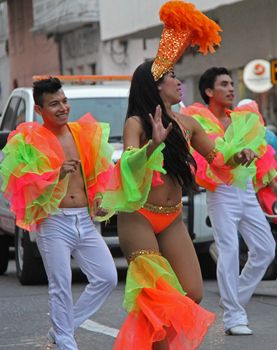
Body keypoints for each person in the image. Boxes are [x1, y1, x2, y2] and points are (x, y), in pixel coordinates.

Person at [100, 3, 261, 349]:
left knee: (192, 291)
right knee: (158, 297)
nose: (178, 81)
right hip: (138, 218)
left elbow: (218, 158)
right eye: (171, 76)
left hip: (171, 218)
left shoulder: (188, 123)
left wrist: (240, 155)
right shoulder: (137, 124)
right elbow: (127, 162)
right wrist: (149, 146)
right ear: (156, 87)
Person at [0, 77, 117, 349]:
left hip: (85, 220)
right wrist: (57, 174)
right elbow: (21, 183)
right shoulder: (29, 139)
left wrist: (98, 198)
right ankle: (67, 342)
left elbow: (97, 174)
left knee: (107, 277)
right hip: (53, 221)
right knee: (60, 284)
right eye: (54, 104)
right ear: (40, 110)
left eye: (64, 101)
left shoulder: (83, 133)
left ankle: (65, 326)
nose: (62, 107)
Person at [181, 67, 277, 336]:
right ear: (210, 91)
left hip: (245, 190)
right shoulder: (200, 121)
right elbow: (215, 156)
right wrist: (236, 155)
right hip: (222, 191)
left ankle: (234, 298)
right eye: (224, 84)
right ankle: (234, 316)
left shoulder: (243, 119)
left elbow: (261, 150)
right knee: (230, 249)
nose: (231, 88)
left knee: (266, 248)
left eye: (232, 83)